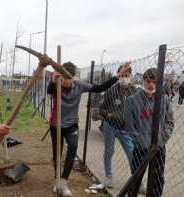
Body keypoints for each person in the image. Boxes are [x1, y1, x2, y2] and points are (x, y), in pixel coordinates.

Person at [42, 54, 131, 196]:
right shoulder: (56, 84)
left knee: (73, 146)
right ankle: (57, 180)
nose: (66, 81)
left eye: (69, 78)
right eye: (64, 78)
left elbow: (99, 88)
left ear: (74, 77)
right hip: (56, 125)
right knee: (57, 154)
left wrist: (118, 76)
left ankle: (64, 182)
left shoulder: (79, 85)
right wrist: (54, 80)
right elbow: (49, 91)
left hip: (71, 124)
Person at [125, 68, 174, 197]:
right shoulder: (132, 100)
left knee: (157, 179)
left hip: (158, 147)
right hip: (140, 148)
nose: (151, 84)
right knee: (136, 179)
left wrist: (162, 140)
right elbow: (129, 126)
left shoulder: (164, 100)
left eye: (154, 81)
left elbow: (169, 122)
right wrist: (139, 140)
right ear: (143, 80)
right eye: (148, 80)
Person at [99, 65, 136, 188]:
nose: (124, 78)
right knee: (109, 151)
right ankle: (108, 177)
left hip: (126, 129)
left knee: (132, 153)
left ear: (130, 76)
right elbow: (102, 109)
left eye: (127, 76)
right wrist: (109, 115)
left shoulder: (134, 92)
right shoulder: (111, 90)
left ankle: (137, 180)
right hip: (110, 126)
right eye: (122, 76)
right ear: (118, 75)